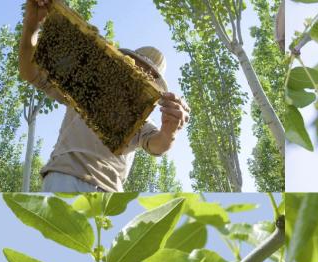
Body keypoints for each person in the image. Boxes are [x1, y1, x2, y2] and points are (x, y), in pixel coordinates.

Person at [18, 0, 190, 192]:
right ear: (124, 63)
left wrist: (169, 130)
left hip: (109, 195)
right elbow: (30, 72)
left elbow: (158, 144)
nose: (140, 76)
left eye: (149, 76)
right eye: (137, 67)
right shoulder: (84, 89)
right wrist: (31, 25)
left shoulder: (139, 123)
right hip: (63, 178)